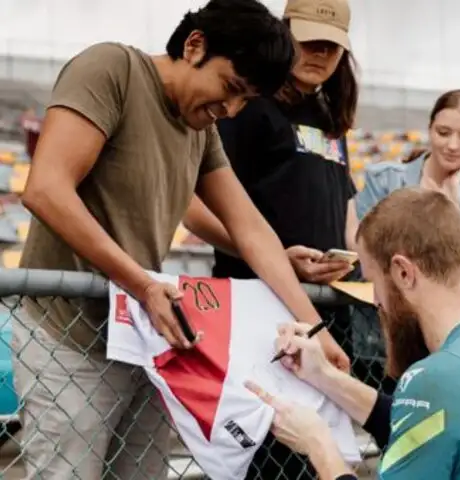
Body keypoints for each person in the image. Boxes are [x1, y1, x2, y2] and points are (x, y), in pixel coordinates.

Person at [12, 1, 347, 479]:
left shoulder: (202, 126)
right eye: (230, 88)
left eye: (245, 101)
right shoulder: (112, 69)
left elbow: (248, 227)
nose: (229, 110)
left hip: (141, 341)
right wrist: (143, 286)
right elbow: (45, 189)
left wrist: (315, 328)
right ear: (194, 46)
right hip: (69, 338)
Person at [247, 187, 460, 479]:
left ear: (403, 273)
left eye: (374, 282)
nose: (376, 301)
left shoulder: (437, 378)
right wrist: (324, 376)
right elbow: (430, 428)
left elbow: (437, 406)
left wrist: (319, 444)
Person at [182, 0, 358, 477]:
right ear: (285, 33)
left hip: (324, 310)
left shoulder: (329, 116)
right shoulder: (247, 103)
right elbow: (192, 207)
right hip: (258, 307)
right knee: (265, 456)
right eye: (308, 40)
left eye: (331, 46)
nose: (318, 53)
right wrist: (276, 257)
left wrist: (352, 260)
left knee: (315, 455)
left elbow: (344, 208)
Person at [356, 89, 460, 288]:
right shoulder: (384, 180)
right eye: (443, 133)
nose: (453, 145)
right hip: (381, 315)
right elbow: (366, 259)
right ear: (430, 129)